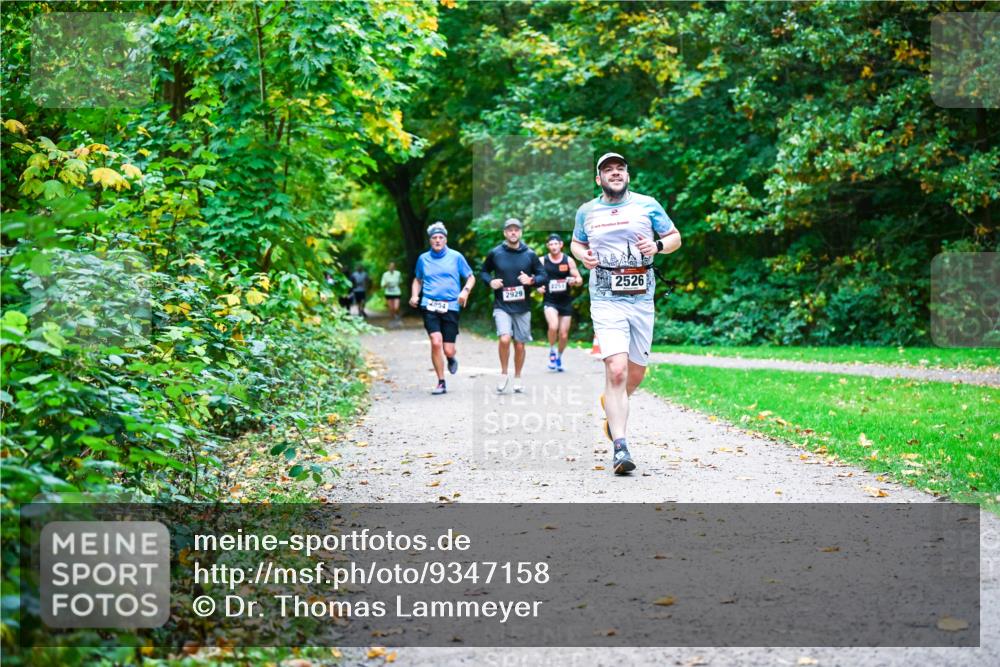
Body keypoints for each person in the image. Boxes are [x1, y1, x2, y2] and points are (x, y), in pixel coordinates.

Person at [570, 152, 681, 475]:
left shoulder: (647, 205)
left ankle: (612, 406)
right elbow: (576, 243)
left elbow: (675, 238)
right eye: (608, 170)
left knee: (634, 375)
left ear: (627, 176)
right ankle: (620, 447)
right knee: (616, 370)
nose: (615, 173)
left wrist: (657, 247)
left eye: (620, 169)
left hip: (641, 299)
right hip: (605, 299)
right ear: (598, 179)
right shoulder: (587, 211)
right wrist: (584, 256)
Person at [480, 218, 547, 394]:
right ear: (504, 233)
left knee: (520, 344)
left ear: (521, 232)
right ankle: (503, 374)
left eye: (516, 230)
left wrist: (531, 280)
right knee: (504, 338)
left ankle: (517, 377)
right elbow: (483, 271)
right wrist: (490, 282)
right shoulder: (495, 253)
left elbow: (543, 275)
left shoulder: (530, 254)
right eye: (509, 230)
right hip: (501, 305)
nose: (513, 233)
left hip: (523, 307)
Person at [409, 222, 475, 395]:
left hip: (451, 306)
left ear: (445, 239)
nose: (437, 240)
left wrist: (465, 292)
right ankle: (441, 381)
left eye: (440, 237)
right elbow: (418, 279)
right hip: (429, 304)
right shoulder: (423, 259)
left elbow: (470, 277)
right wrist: (415, 295)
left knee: (448, 348)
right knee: (436, 342)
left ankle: (451, 357)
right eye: (434, 238)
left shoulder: (456, 257)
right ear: (430, 240)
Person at [536, 233, 583, 372]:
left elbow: (579, 279)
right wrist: (538, 287)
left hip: (565, 301)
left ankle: (559, 357)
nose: (553, 246)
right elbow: (535, 278)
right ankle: (552, 350)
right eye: (551, 244)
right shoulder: (542, 261)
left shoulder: (568, 260)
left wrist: (575, 281)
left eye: (556, 244)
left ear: (561, 245)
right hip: (550, 300)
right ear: (548, 246)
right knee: (553, 326)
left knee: (563, 334)